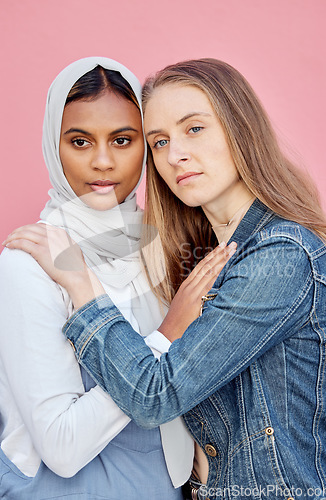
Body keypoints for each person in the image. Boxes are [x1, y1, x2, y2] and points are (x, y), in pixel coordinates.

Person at [5, 58, 326, 499]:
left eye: (194, 129)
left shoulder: (278, 257)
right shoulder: (191, 255)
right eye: (159, 140)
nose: (175, 155)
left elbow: (156, 395)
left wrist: (84, 289)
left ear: (241, 130)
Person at [0, 56, 232, 499]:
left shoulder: (164, 247)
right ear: (54, 145)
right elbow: (62, 448)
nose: (103, 161)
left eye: (123, 140)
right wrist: (166, 335)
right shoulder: (30, 263)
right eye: (81, 142)